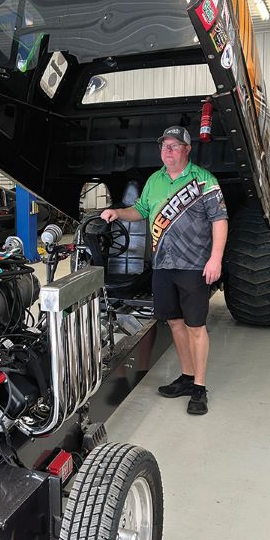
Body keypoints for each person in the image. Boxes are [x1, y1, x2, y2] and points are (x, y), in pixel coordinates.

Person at [101, 125, 228, 415]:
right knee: (174, 323)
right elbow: (141, 210)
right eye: (164, 146)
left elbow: (220, 220)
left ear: (187, 149)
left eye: (174, 145)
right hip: (163, 266)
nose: (167, 151)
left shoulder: (204, 181)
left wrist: (216, 259)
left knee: (196, 327)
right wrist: (118, 212)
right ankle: (185, 377)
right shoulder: (154, 181)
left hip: (194, 266)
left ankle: (199, 387)